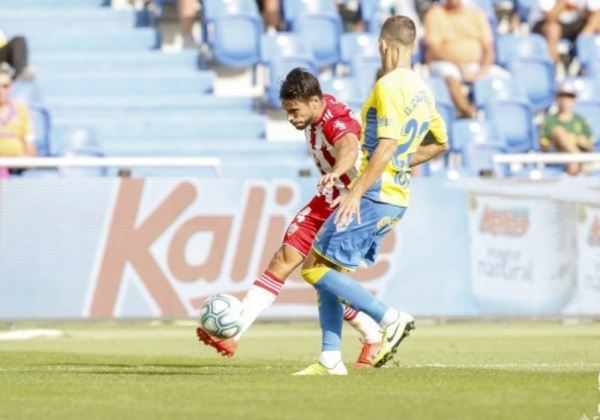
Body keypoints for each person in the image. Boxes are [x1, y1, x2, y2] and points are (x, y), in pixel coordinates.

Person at [196, 68, 383, 368]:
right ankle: (235, 331)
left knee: (327, 281)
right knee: (284, 258)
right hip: (328, 199)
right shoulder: (315, 112)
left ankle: (376, 330)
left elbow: (348, 146)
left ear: (313, 101)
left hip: (352, 202)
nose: (290, 118)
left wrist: (336, 171)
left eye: (294, 111)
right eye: (286, 111)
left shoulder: (335, 120)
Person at [294, 15, 448, 376]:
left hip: (375, 193)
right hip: (392, 193)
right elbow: (440, 143)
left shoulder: (389, 86)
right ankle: (331, 359)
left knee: (314, 268)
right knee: (323, 265)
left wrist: (357, 190)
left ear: (383, 45)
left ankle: (388, 318)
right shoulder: (424, 90)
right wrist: (397, 163)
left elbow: (388, 142)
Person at [423, 0, 506, 117]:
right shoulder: (435, 15)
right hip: (445, 63)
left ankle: (498, 118)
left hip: (476, 66)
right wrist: (460, 66)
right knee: (450, 74)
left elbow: (489, 49)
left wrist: (482, 71)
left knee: (503, 77)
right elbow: (434, 50)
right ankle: (467, 112)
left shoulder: (475, 13)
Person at [539, 81, 594, 175]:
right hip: (558, 159)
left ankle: (574, 168)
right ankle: (577, 163)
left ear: (574, 100)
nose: (565, 100)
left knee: (573, 159)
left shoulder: (580, 120)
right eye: (562, 96)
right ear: (557, 99)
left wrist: (584, 143)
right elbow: (544, 147)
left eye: (569, 97)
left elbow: (591, 147)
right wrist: (561, 142)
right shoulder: (549, 121)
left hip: (575, 160)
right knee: (559, 132)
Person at [530, 0, 600, 63]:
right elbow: (550, 17)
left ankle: (586, 61)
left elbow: (594, 11)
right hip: (544, 24)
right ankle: (552, 67)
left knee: (597, 19)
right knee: (553, 29)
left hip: (573, 24)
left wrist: (585, 34)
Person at [0, 65, 36, 176]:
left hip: (16, 166)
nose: (1, 90)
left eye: (5, 86)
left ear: (11, 87)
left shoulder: (21, 110)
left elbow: (29, 141)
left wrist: (28, 161)